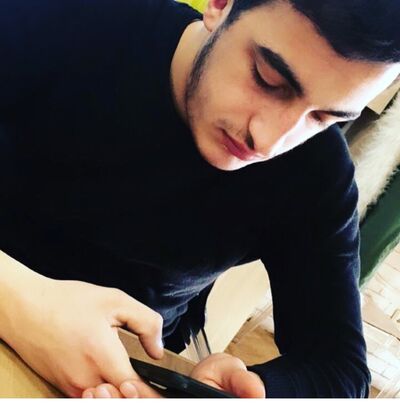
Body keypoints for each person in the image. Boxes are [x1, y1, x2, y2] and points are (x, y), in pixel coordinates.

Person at [0, 0, 399, 398]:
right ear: (220, 5)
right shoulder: (64, 19)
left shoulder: (315, 173)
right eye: (268, 79)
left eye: (322, 117)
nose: (268, 141)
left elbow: (339, 370)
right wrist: (22, 304)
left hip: (120, 373)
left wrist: (256, 388)